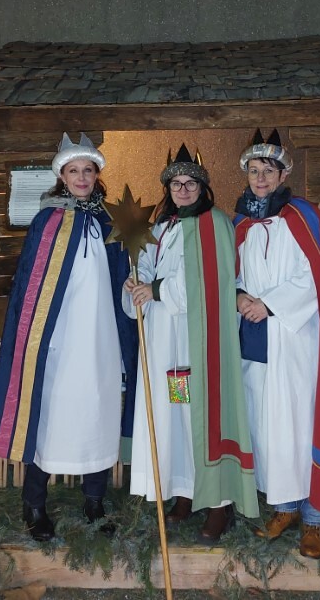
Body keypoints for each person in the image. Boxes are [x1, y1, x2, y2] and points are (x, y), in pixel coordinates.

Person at [0, 133, 137, 542]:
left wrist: (131, 288)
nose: (81, 177)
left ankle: (94, 502)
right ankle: (34, 503)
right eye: (73, 171)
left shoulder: (110, 222)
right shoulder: (47, 221)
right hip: (59, 341)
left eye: (88, 170)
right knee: (52, 418)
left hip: (101, 339)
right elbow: (30, 288)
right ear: (62, 177)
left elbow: (122, 277)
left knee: (99, 414)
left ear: (96, 175)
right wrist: (37, 340)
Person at [123, 145, 259, 544]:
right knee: (175, 411)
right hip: (164, 340)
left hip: (198, 340)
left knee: (202, 413)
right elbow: (145, 264)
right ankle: (184, 488)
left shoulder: (214, 223)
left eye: (190, 183)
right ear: (167, 188)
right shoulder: (160, 227)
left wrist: (155, 290)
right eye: (176, 184)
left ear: (203, 187)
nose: (183, 190)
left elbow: (210, 282)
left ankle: (219, 503)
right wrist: (135, 282)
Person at [234, 129, 320, 559]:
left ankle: (314, 518)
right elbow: (231, 272)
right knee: (267, 426)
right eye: (254, 171)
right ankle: (284, 507)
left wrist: (269, 304)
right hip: (256, 339)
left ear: (283, 173)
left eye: (268, 171)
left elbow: (314, 276)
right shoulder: (242, 224)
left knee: (301, 423)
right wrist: (240, 297)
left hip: (296, 339)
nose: (260, 178)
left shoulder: (304, 216)